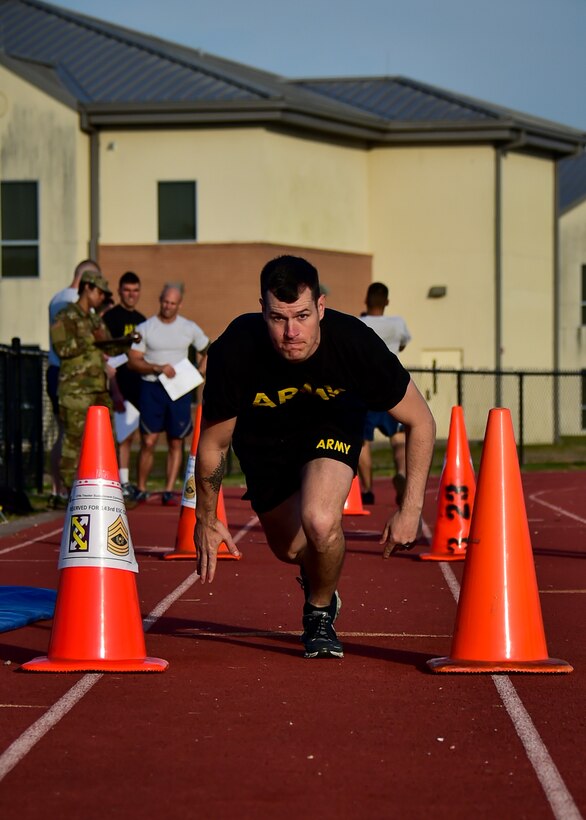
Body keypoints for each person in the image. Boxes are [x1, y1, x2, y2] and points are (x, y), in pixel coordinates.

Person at [194, 255, 435, 660]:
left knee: (321, 521)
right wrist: (205, 516)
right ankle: (318, 574)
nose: (292, 332)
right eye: (278, 318)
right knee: (290, 550)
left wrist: (410, 509)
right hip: (264, 442)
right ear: (262, 310)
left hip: (330, 427)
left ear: (321, 307)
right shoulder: (235, 347)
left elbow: (421, 421)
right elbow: (214, 444)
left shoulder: (354, 343)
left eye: (303, 316)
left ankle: (319, 612)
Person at [50, 268, 140, 495]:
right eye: (100, 292)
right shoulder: (65, 315)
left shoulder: (93, 319)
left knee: (108, 439)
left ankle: (107, 488)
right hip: (75, 390)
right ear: (87, 288)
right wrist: (90, 341)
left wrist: (126, 342)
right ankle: (68, 493)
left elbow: (107, 345)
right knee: (73, 442)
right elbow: (61, 348)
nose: (102, 297)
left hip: (99, 388)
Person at [128, 283, 210, 505]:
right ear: (160, 300)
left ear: (179, 304)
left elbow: (208, 349)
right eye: (165, 302)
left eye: (173, 303)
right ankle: (141, 488)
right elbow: (134, 360)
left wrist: (198, 372)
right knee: (149, 440)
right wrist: (156, 367)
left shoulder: (189, 327)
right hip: (152, 387)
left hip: (179, 389)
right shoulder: (146, 327)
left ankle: (168, 489)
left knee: (176, 441)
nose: (168, 306)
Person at [46, 259, 102, 509]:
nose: (100, 294)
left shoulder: (58, 297)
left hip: (77, 375)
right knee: (71, 435)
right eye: (98, 286)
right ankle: (64, 488)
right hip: (69, 375)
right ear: (87, 283)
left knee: (67, 433)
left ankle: (61, 489)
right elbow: (68, 341)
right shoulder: (68, 303)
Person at [358, 282, 412, 507]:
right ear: (386, 302)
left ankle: (368, 490)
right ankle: (401, 472)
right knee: (398, 439)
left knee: (363, 443)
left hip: (365, 389)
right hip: (391, 385)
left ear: (366, 301)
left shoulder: (359, 324)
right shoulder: (397, 323)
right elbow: (401, 346)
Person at [103, 271, 146, 499]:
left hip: (139, 386)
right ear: (120, 291)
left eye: (135, 290)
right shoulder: (110, 318)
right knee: (122, 438)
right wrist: (114, 388)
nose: (131, 295)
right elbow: (104, 355)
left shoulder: (143, 320)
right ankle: (122, 482)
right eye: (127, 290)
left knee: (137, 437)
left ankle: (131, 482)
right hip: (118, 386)